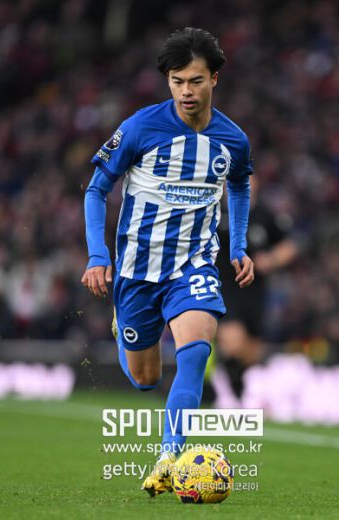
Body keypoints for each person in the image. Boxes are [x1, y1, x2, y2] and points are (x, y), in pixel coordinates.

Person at [81, 27, 254, 496]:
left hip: (194, 264)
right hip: (137, 269)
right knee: (145, 379)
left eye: (195, 81)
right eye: (177, 82)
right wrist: (98, 255)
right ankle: (124, 323)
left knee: (195, 351)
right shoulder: (141, 128)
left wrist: (237, 246)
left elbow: (239, 184)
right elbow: (96, 190)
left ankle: (169, 455)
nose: (186, 91)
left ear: (214, 78)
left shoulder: (233, 140)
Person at [215, 175, 297, 397]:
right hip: (225, 288)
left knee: (252, 351)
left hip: (255, 291)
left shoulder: (265, 216)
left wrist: (271, 260)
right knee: (232, 338)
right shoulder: (216, 212)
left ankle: (237, 379)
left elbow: (289, 246)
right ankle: (224, 376)